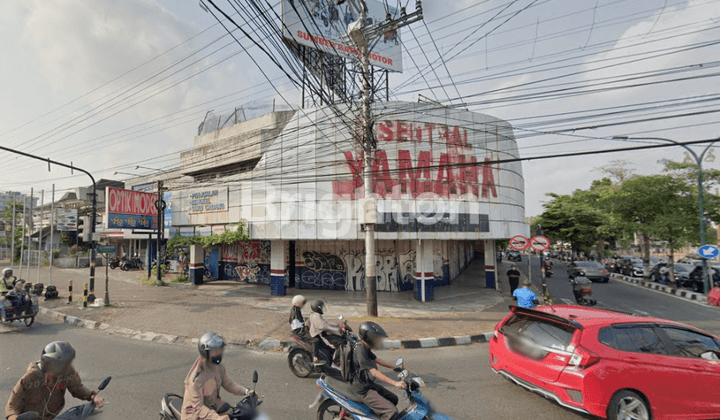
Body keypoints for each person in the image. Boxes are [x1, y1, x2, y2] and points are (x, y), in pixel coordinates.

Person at [5, 341, 105, 420]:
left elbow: (77, 388)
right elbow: (12, 405)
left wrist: (92, 396)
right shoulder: (30, 377)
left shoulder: (67, 372)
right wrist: (13, 417)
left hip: (53, 417)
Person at [182, 332, 253, 420]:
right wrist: (217, 418)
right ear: (205, 352)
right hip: (194, 414)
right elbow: (199, 408)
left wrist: (246, 391)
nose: (219, 353)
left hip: (212, 405)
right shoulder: (196, 380)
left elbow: (228, 383)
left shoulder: (219, 367)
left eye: (220, 350)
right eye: (215, 351)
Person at [351, 322, 407, 420]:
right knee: (392, 412)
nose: (377, 341)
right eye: (375, 338)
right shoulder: (360, 349)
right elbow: (373, 372)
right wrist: (395, 383)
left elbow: (376, 359)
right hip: (362, 389)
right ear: (368, 337)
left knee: (393, 398)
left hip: (367, 383)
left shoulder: (365, 347)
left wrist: (393, 367)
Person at [307, 300, 344, 366]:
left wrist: (337, 325)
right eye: (322, 307)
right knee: (340, 343)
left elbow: (326, 323)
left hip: (320, 334)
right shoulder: (316, 316)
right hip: (319, 336)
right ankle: (336, 362)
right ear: (318, 308)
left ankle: (331, 358)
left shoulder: (316, 314)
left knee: (336, 341)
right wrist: (338, 329)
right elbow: (325, 327)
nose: (323, 309)